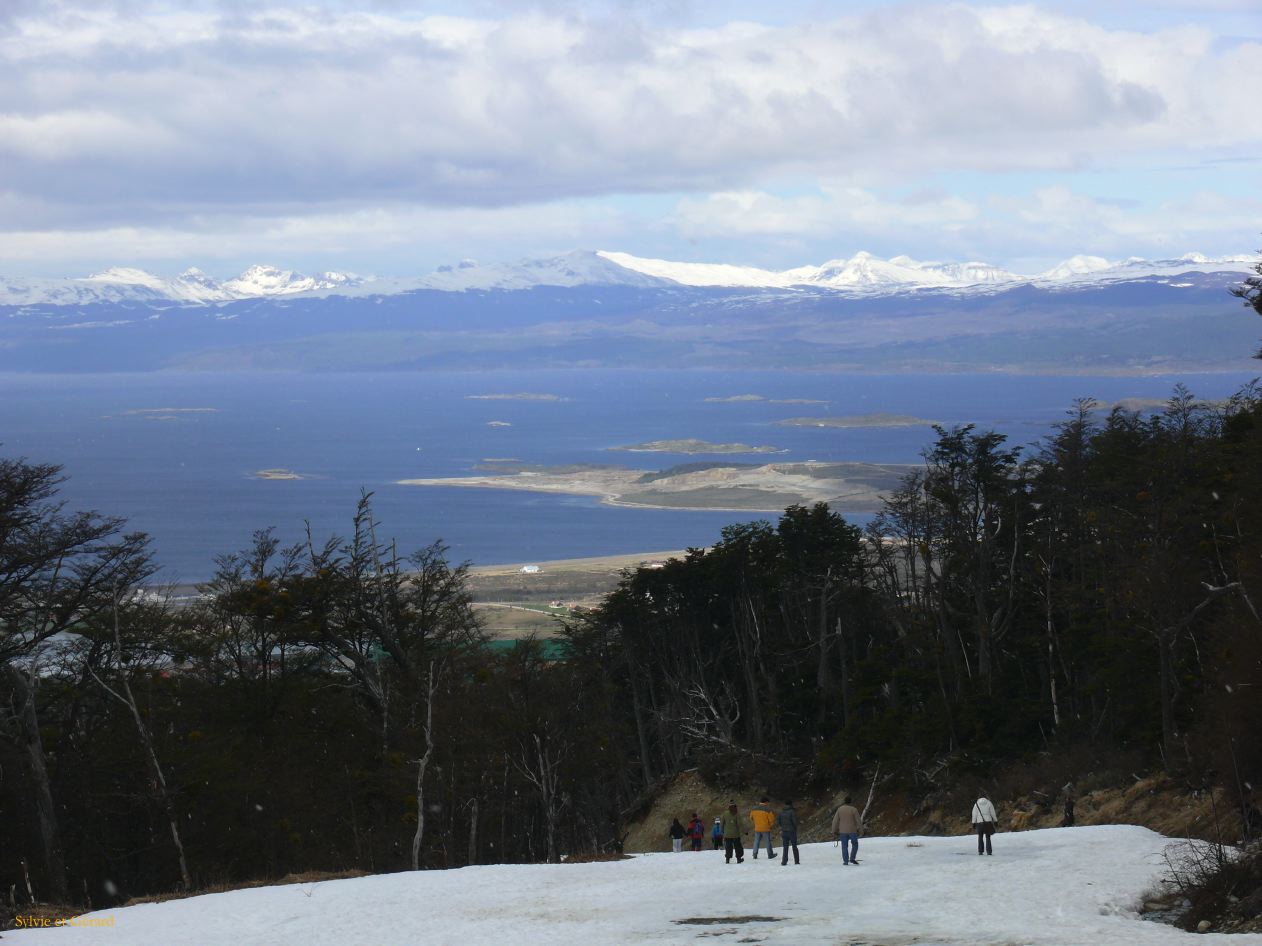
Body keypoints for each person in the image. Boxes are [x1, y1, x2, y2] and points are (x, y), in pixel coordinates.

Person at [831, 795, 862, 865]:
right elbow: (858, 821)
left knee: (844, 846)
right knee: (855, 844)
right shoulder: (854, 809)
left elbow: (835, 821)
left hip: (842, 831)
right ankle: (852, 858)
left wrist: (833, 830)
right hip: (852, 830)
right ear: (851, 802)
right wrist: (861, 830)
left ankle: (845, 861)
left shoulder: (840, 809)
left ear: (844, 801)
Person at [779, 800, 800, 865]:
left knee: (785, 847)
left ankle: (784, 861)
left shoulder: (781, 812)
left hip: (784, 831)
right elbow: (794, 822)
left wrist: (783, 827)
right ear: (791, 804)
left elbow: (779, 822)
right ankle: (796, 861)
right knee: (794, 846)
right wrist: (795, 828)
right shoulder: (792, 812)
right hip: (791, 831)